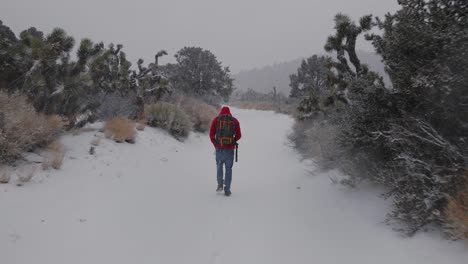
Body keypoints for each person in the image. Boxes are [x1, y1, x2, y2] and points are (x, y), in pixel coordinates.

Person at [209, 106, 241, 196]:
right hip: (230, 150)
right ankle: (227, 189)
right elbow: (239, 135)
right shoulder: (234, 121)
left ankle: (219, 185)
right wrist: (233, 141)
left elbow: (211, 135)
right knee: (228, 169)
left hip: (219, 149)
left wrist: (215, 144)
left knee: (219, 167)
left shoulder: (216, 120)